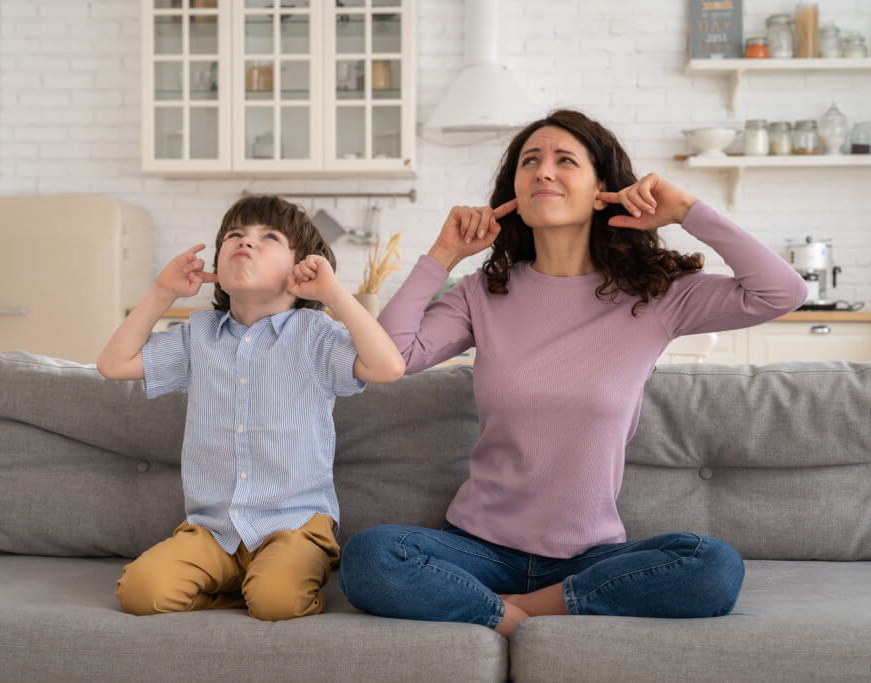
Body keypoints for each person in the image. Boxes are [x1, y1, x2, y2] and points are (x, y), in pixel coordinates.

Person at [338, 109, 809, 638]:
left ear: (602, 188)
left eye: (565, 161)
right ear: (513, 188)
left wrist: (686, 211)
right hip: (476, 548)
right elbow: (391, 356)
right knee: (372, 556)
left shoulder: (655, 296)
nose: (543, 172)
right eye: (530, 161)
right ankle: (531, 611)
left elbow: (782, 292)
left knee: (712, 566)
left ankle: (508, 611)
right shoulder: (482, 292)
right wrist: (444, 255)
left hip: (589, 557)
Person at [98, 194, 405, 621]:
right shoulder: (198, 336)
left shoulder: (314, 334)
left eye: (269, 237)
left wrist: (333, 291)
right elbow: (112, 365)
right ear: (218, 267)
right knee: (139, 592)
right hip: (213, 531)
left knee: (277, 602)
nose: (245, 242)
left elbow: (388, 367)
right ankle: (243, 585)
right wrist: (162, 292)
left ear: (302, 267)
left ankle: (278, 577)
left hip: (294, 525)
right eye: (234, 235)